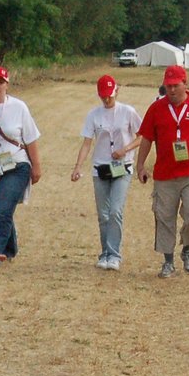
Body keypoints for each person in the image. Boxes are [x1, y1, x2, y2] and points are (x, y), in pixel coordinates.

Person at [134, 64, 189, 277]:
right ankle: (168, 260)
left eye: (175, 85)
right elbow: (146, 138)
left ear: (185, 84)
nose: (171, 90)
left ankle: (188, 249)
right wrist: (141, 165)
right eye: (168, 86)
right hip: (164, 174)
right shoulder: (156, 109)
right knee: (164, 216)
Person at [71, 74, 143, 270]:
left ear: (116, 91)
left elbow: (141, 136)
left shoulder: (127, 112)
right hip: (100, 169)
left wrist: (125, 150)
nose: (106, 99)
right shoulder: (93, 115)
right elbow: (87, 143)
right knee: (103, 214)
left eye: (109, 95)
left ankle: (114, 254)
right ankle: (105, 253)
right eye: (103, 96)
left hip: (123, 167)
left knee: (115, 211)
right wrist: (78, 166)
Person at [0, 66, 43, 264]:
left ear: (7, 84)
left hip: (17, 164)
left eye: (0, 82)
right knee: (0, 208)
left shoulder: (19, 107)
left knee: (1, 208)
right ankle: (10, 247)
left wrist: (36, 166)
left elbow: (30, 138)